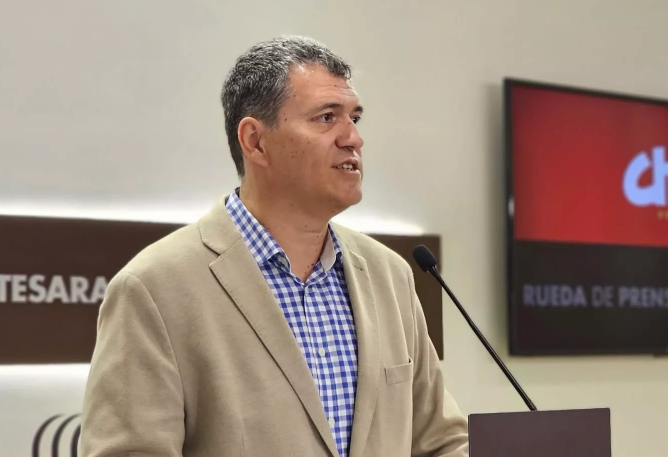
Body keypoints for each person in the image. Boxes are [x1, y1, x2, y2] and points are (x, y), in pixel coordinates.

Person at [80, 36, 469, 457]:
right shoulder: (154, 289)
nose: (354, 138)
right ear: (255, 141)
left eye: (354, 118)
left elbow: (441, 442)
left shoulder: (389, 275)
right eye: (326, 117)